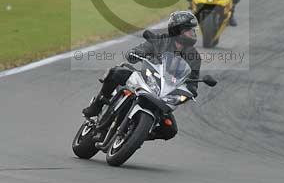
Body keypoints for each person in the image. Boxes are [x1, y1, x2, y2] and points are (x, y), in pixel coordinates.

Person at [81, 10, 202, 141]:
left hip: (164, 94)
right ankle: (97, 105)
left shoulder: (194, 57)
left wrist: (191, 90)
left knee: (170, 130)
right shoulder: (160, 41)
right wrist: (135, 53)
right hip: (145, 80)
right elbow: (143, 48)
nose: (193, 33)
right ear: (177, 30)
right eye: (189, 30)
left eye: (194, 30)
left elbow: (192, 81)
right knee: (116, 72)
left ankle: (136, 134)